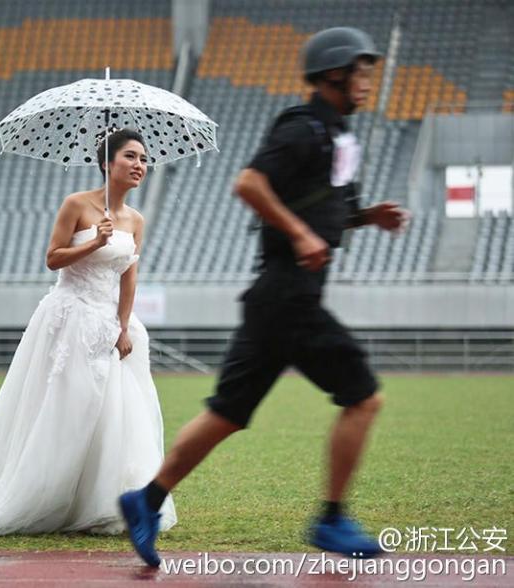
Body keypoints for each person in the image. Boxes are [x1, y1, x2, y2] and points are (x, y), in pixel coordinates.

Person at [119, 28, 410, 566]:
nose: (369, 81)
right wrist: (299, 235)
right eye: (361, 70)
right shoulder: (302, 128)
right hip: (289, 297)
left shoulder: (340, 138)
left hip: (274, 302)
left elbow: (328, 212)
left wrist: (369, 217)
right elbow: (249, 183)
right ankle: (330, 519)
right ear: (333, 74)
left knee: (227, 412)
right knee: (363, 396)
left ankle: (146, 500)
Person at [0, 128, 176, 535]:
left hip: (112, 323)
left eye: (143, 159)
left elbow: (129, 278)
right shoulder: (78, 205)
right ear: (108, 162)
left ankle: (106, 502)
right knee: (66, 408)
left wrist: (123, 327)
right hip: (71, 318)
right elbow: (53, 259)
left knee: (117, 411)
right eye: (131, 157)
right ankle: (44, 498)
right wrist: (94, 242)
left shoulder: (136, 220)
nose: (140, 165)